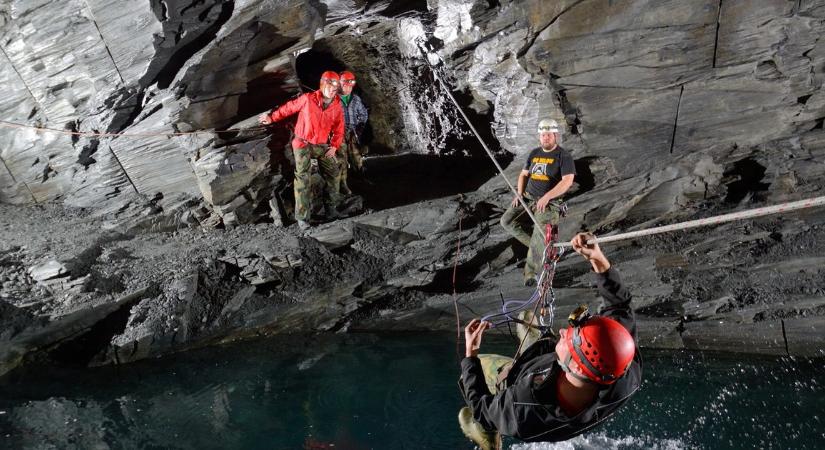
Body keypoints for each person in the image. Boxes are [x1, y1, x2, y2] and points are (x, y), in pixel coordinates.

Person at [458, 232, 641, 448]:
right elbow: (620, 306)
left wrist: (471, 355)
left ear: (576, 367)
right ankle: (536, 346)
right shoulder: (624, 368)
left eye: (570, 338)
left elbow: (481, 408)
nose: (563, 331)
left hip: (520, 383)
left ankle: (489, 436)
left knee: (468, 383)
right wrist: (597, 257)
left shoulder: (521, 406)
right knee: (531, 323)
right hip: (547, 366)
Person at [259, 71, 345, 231]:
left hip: (322, 145)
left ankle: (331, 212)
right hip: (303, 143)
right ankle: (303, 218)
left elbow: (339, 128)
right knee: (303, 178)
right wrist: (271, 117)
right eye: (330, 85)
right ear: (323, 85)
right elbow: (288, 109)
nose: (333, 89)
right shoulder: (308, 99)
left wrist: (334, 146)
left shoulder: (337, 106)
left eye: (335, 86)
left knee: (333, 173)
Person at [500, 118, 576, 286]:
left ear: (555, 135)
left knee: (539, 235)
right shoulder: (534, 153)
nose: (545, 138)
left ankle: (531, 273)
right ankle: (540, 248)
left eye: (548, 135)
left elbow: (567, 181)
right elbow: (523, 175)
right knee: (506, 221)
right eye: (542, 135)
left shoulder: (563, 156)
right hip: (528, 197)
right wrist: (520, 194)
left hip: (549, 203)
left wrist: (547, 196)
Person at [337, 70, 369, 196]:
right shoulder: (333, 99)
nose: (349, 87)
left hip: (353, 132)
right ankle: (343, 185)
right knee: (342, 159)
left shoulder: (355, 99)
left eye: (351, 84)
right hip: (339, 134)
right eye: (346, 84)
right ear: (340, 84)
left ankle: (361, 178)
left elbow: (364, 114)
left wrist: (360, 127)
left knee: (356, 156)